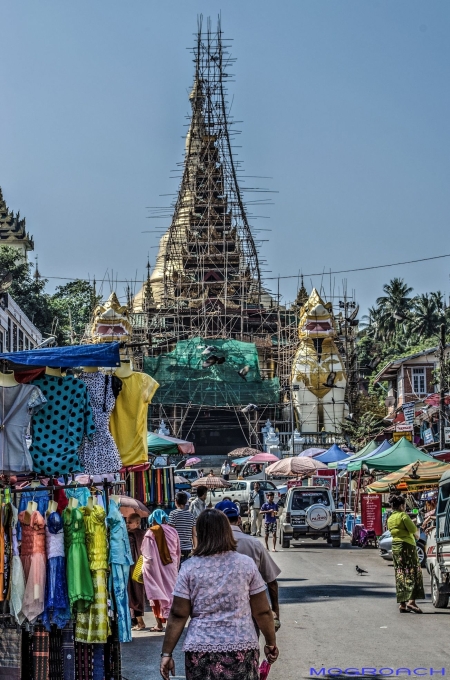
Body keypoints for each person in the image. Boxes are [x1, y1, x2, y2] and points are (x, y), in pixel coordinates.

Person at [160, 509, 278, 680]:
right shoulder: (246, 565)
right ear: (227, 531)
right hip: (241, 648)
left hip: (200, 650)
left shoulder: (189, 568)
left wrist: (166, 653)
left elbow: (178, 614)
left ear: (200, 534)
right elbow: (262, 611)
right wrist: (270, 643)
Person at [216, 500, 281, 631]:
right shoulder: (254, 544)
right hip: (250, 613)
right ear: (239, 519)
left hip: (217, 614)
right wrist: (275, 612)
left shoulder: (209, 546)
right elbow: (272, 581)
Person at [142, 509, 180, 632]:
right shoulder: (173, 531)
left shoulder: (151, 533)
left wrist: (146, 570)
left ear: (153, 520)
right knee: (171, 594)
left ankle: (159, 624)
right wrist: (176, 566)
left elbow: (147, 556)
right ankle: (170, 623)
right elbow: (178, 552)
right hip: (171, 567)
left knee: (156, 595)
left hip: (156, 569)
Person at [387, 493, 425, 614]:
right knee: (413, 572)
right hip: (407, 546)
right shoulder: (403, 515)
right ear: (401, 506)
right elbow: (413, 530)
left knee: (400, 573)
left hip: (396, 547)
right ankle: (411, 602)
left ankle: (402, 604)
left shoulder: (390, 518)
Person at [126, 513, 147, 631]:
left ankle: (140, 622)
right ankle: (138, 621)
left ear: (138, 523)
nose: (127, 524)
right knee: (137, 593)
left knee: (134, 593)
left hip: (134, 567)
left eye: (130, 522)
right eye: (127, 522)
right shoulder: (144, 534)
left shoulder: (131, 535)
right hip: (142, 566)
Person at [168, 492, 197, 564]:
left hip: (176, 548)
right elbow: (194, 534)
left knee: (177, 571)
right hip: (188, 548)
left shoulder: (173, 514)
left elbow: (171, 533)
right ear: (186, 502)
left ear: (176, 501)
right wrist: (195, 548)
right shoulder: (191, 515)